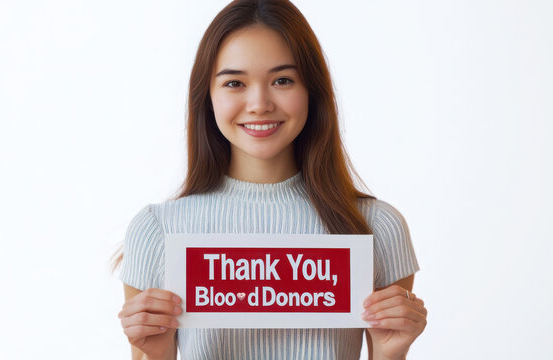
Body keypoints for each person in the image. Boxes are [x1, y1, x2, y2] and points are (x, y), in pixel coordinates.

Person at [112, 0, 428, 359]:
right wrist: (158, 353)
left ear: (312, 90)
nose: (259, 104)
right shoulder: (156, 231)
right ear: (208, 97)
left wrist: (390, 353)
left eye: (282, 80)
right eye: (234, 82)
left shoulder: (377, 227)